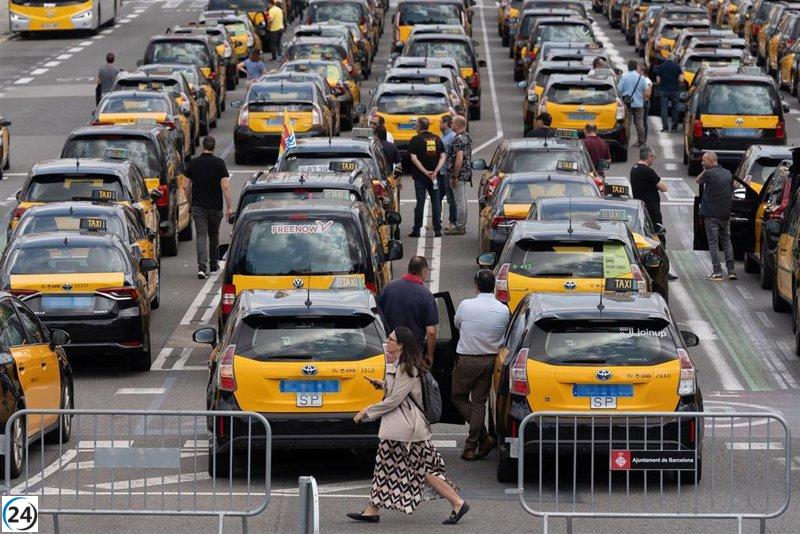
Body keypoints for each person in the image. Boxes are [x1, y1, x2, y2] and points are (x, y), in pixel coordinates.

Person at [349, 327, 469, 525]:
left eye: (390, 339)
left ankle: (457, 502)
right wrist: (382, 384)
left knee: (419, 469)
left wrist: (366, 411)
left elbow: (394, 400)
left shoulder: (407, 368)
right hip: (403, 428)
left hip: (406, 428)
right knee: (389, 467)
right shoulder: (402, 365)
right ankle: (372, 509)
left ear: (401, 345)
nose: (387, 342)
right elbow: (399, 392)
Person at [452, 270, 510, 461]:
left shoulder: (466, 305)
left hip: (468, 358)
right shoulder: (503, 310)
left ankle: (482, 439)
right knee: (479, 402)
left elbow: (458, 325)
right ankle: (473, 445)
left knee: (458, 396)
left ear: (476, 286)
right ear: (493, 286)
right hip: (491, 361)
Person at [183, 136, 233, 279]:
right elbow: (225, 186)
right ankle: (213, 264)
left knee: (200, 235)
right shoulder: (219, 163)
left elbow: (186, 185)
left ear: (203, 146)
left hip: (198, 206)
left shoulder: (193, 163)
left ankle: (201, 268)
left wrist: (189, 201)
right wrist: (229, 207)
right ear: (213, 147)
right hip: (215, 206)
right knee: (214, 235)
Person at [377, 256, 438, 363]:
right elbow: (431, 332)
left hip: (389, 351)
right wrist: (429, 355)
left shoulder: (389, 287)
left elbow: (378, 315)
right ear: (423, 272)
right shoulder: (426, 296)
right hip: (412, 354)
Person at [697, 151, 736, 281]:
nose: (702, 163)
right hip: (725, 214)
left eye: (704, 161)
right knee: (726, 240)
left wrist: (703, 170)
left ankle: (717, 272)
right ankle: (731, 271)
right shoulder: (728, 173)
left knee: (713, 242)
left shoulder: (708, 173)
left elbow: (698, 180)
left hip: (711, 214)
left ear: (712, 161)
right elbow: (731, 190)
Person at [408, 118, 446, 237]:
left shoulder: (415, 140)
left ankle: (417, 229)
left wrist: (425, 172)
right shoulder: (437, 138)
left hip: (420, 178)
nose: (415, 127)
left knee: (420, 203)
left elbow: (414, 159)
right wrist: (435, 171)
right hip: (435, 177)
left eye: (416, 125)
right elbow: (443, 156)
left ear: (420, 126)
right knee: (435, 202)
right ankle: (437, 229)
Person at [444, 115, 472, 235]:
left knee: (459, 200)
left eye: (452, 122)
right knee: (462, 200)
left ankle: (460, 226)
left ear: (458, 124)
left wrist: (455, 176)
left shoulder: (459, 139)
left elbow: (459, 159)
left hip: (459, 175)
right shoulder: (467, 136)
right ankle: (460, 225)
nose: (450, 124)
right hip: (465, 173)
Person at [617, 60, 647, 147]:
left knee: (627, 123)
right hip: (639, 104)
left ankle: (627, 140)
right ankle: (642, 141)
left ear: (628, 67)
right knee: (639, 123)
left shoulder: (624, 77)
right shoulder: (641, 78)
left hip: (627, 104)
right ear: (636, 67)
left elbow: (619, 89)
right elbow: (644, 91)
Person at [438, 115, 457, 229]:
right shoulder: (444, 136)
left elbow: (453, 156)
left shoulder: (452, 137)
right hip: (441, 171)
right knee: (437, 197)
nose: (439, 125)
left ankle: (453, 222)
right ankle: (437, 221)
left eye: (441, 122)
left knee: (451, 199)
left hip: (447, 172)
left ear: (446, 124)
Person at [655, 55, 683, 132]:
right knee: (675, 108)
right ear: (673, 60)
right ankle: (674, 127)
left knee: (664, 108)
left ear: (666, 59)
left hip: (664, 90)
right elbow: (681, 79)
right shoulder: (677, 67)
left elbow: (658, 80)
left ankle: (665, 127)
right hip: (675, 90)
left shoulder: (661, 67)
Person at [638, 64, 653, 141]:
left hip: (645, 103)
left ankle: (644, 139)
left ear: (643, 72)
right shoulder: (642, 80)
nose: (638, 72)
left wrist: (641, 96)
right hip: (642, 102)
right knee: (641, 122)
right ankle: (641, 139)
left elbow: (648, 94)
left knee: (644, 122)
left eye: (639, 71)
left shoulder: (647, 81)